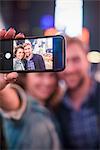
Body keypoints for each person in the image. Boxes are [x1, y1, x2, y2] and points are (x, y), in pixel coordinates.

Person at [0, 28, 61, 150]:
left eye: (51, 75)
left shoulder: (50, 107)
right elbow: (11, 101)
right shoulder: (21, 104)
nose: (47, 82)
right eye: (39, 75)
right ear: (26, 78)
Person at [54, 37, 100, 149]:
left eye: (76, 60)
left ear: (87, 60)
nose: (69, 69)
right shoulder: (55, 106)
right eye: (63, 62)